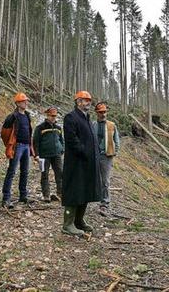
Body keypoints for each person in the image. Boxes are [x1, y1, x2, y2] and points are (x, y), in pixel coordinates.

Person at [61, 91, 102, 236]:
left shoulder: (87, 118)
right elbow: (72, 140)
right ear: (78, 102)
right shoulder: (70, 117)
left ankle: (79, 221)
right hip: (76, 163)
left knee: (84, 191)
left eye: (89, 100)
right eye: (85, 100)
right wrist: (84, 152)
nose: (88, 102)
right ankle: (68, 224)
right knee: (73, 191)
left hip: (88, 163)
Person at [0, 92, 37, 208]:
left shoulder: (27, 115)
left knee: (25, 172)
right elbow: (4, 133)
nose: (26, 102)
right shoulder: (12, 116)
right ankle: (6, 198)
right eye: (23, 101)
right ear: (17, 103)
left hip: (26, 146)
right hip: (17, 146)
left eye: (26, 101)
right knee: (12, 171)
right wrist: (10, 144)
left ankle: (23, 195)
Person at [91, 102, 120, 216]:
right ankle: (92, 198)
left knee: (105, 181)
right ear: (96, 113)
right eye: (100, 112)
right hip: (94, 155)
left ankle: (104, 204)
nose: (103, 114)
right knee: (93, 178)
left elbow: (116, 140)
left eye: (104, 112)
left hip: (106, 156)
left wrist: (115, 151)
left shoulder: (112, 125)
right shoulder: (92, 125)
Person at [33, 106, 64, 203]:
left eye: (55, 116)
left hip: (57, 155)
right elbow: (35, 142)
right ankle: (46, 195)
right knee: (44, 174)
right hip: (44, 156)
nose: (53, 118)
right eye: (51, 116)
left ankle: (61, 193)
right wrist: (36, 155)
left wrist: (62, 149)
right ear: (47, 115)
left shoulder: (58, 128)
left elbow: (61, 140)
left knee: (60, 173)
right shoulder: (40, 127)